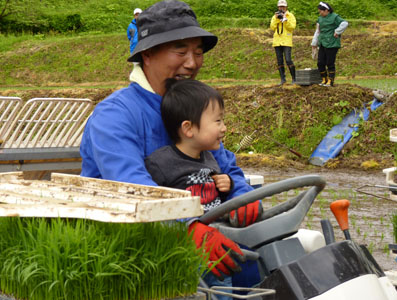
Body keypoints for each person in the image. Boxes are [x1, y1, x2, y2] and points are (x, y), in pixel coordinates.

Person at [80, 1, 261, 298]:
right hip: (135, 253)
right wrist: (187, 227)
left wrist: (242, 194)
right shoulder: (115, 115)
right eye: (180, 51)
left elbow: (224, 164)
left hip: (203, 241)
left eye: (198, 51)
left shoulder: (189, 105)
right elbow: (132, 185)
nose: (192, 63)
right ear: (147, 54)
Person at [145, 78, 263, 298]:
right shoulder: (161, 163)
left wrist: (227, 185)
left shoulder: (210, 158)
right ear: (188, 128)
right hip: (189, 250)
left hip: (219, 243)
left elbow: (214, 195)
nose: (224, 128)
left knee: (229, 286)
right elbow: (153, 203)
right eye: (217, 121)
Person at [311, 2, 348, 87]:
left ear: (326, 10)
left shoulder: (335, 17)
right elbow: (318, 31)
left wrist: (337, 31)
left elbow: (344, 23)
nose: (320, 13)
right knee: (320, 62)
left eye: (321, 11)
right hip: (323, 43)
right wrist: (314, 42)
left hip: (332, 43)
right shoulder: (320, 19)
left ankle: (331, 81)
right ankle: (324, 79)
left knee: (330, 62)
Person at [270, 0, 296, 85]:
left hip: (287, 41)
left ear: (286, 7)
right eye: (280, 7)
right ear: (278, 7)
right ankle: (283, 79)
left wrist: (285, 20)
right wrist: (278, 19)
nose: (282, 8)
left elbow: (292, 27)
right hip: (277, 41)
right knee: (279, 61)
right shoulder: (275, 16)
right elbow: (272, 27)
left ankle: (294, 79)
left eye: (283, 7)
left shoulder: (290, 16)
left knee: (288, 60)